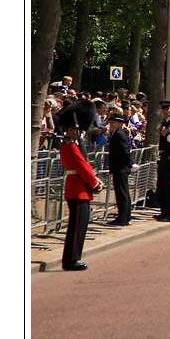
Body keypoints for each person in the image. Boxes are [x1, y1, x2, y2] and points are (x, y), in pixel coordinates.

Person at [56, 100, 104, 271]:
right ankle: (71, 260)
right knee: (77, 228)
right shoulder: (70, 146)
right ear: (70, 129)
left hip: (79, 188)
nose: (78, 132)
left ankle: (73, 257)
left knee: (79, 227)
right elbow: (82, 167)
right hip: (78, 189)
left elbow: (85, 164)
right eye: (75, 129)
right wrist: (95, 183)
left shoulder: (73, 145)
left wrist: (94, 180)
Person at [106, 109, 135, 226]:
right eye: (111, 122)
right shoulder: (118, 134)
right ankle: (125, 216)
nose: (111, 125)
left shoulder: (119, 134)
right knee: (123, 193)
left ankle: (123, 217)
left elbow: (125, 151)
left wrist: (130, 163)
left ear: (119, 123)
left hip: (121, 168)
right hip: (120, 167)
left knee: (122, 193)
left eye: (113, 123)